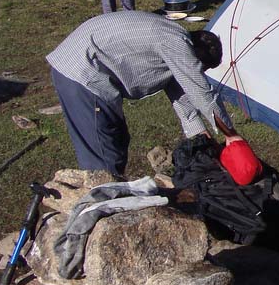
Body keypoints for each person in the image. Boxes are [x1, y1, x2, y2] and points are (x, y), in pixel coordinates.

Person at [47, 11, 240, 176]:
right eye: (201, 68)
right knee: (104, 152)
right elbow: (202, 93)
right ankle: (100, 204)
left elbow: (184, 100)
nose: (198, 72)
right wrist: (231, 134)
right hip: (81, 70)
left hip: (84, 62)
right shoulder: (176, 43)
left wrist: (203, 137)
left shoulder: (172, 43)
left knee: (118, 138)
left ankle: (112, 192)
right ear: (196, 55)